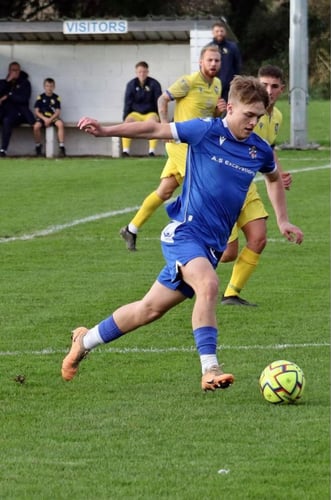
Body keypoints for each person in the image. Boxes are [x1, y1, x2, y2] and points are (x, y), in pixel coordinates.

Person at [65, 75, 304, 391]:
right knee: (208, 285)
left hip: (211, 247)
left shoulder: (258, 150)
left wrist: (283, 220)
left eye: (258, 117)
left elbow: (274, 178)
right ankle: (210, 369)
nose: (253, 122)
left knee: (148, 310)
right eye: (248, 115)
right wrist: (106, 131)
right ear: (230, 108)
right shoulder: (205, 130)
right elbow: (154, 129)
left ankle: (85, 340)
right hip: (184, 234)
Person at [119, 45, 225, 251]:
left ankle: (131, 229)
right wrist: (165, 126)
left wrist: (219, 112)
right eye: (209, 60)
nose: (213, 64)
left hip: (198, 146)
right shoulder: (189, 81)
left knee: (165, 191)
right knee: (204, 185)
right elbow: (163, 98)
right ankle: (198, 234)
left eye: (217, 61)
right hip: (180, 144)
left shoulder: (218, 85)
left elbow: (210, 118)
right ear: (200, 62)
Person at [219, 64, 292, 306]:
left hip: (247, 186)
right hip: (224, 186)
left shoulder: (277, 117)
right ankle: (186, 264)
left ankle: (231, 293)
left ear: (281, 89)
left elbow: (267, 150)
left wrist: (278, 173)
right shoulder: (242, 113)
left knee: (259, 238)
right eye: (264, 85)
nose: (268, 90)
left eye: (273, 86)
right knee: (228, 253)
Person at [121, 61, 162, 157]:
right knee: (127, 123)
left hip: (150, 113)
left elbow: (159, 101)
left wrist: (159, 117)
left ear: (147, 72)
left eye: (144, 71)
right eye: (139, 72)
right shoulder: (131, 84)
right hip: (136, 113)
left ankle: (151, 151)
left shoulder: (154, 84)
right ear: (136, 72)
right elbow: (127, 102)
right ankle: (125, 151)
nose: (142, 74)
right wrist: (125, 117)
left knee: (153, 124)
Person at [0, 61, 35, 157]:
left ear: (20, 71)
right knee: (4, 118)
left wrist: (9, 95)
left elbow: (24, 99)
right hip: (4, 111)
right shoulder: (3, 82)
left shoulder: (25, 83)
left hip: (18, 113)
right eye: (12, 70)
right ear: (9, 71)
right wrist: (7, 82)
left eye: (16, 70)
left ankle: (3, 150)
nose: (14, 72)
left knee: (7, 121)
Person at [32, 77, 66, 157]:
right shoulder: (40, 97)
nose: (49, 88)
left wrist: (50, 120)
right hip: (43, 117)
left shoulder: (56, 97)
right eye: (47, 86)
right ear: (44, 87)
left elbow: (58, 112)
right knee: (36, 126)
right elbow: (36, 111)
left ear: (54, 87)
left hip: (52, 117)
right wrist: (45, 119)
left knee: (60, 124)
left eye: (51, 86)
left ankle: (62, 147)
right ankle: (38, 146)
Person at [210, 20, 242, 102]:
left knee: (228, 110)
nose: (219, 33)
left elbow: (238, 65)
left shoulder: (233, 47)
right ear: (212, 33)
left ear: (225, 32)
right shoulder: (208, 48)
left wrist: (235, 81)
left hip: (229, 87)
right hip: (212, 87)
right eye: (217, 31)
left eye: (221, 31)